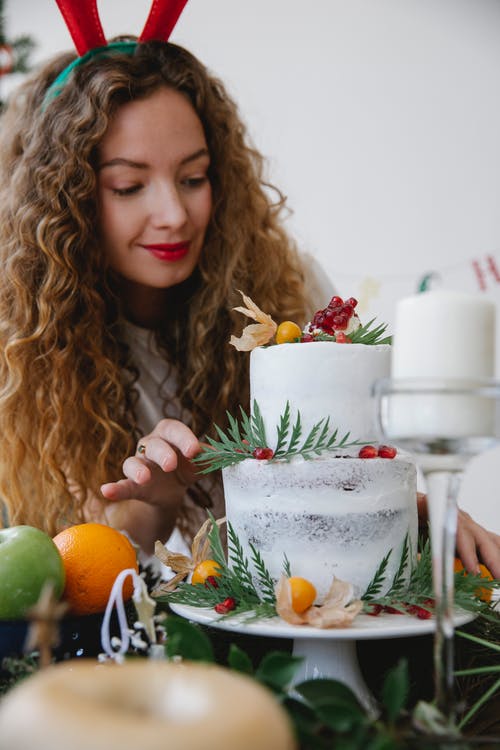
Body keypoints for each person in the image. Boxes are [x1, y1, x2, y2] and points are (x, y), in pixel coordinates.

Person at [0, 37, 498, 579]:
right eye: (129, 185)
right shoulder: (30, 343)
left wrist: (416, 510)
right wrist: (155, 500)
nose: (173, 214)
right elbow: (89, 572)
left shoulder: (286, 291)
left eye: (193, 178)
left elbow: (352, 472)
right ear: (68, 198)